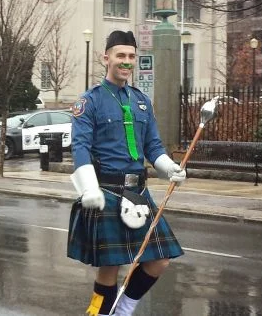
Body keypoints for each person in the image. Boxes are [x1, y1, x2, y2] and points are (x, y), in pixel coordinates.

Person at [68, 30, 186, 316]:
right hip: (106, 190)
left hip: (139, 193)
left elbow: (153, 146)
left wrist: (169, 167)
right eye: (121, 55)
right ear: (106, 58)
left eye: (132, 56)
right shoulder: (90, 101)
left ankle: (124, 308)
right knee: (110, 267)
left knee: (160, 260)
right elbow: (80, 147)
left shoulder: (141, 100)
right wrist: (88, 188)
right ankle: (98, 313)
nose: (127, 61)